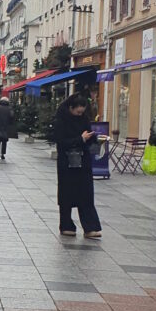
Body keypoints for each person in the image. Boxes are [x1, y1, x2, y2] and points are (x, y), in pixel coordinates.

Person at [53, 93, 102, 238]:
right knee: (67, 194)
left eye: (82, 112)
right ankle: (66, 225)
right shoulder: (61, 121)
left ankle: (90, 227)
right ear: (70, 108)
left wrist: (94, 138)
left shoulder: (84, 119)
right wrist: (80, 139)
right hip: (67, 162)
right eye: (77, 111)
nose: (80, 114)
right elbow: (61, 142)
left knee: (86, 194)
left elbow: (88, 135)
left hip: (83, 161)